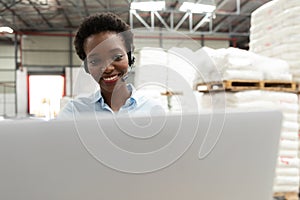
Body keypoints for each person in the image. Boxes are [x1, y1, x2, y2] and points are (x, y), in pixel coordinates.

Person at [58, 12, 163, 118]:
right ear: (86, 67)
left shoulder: (153, 110)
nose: (108, 68)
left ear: (130, 57)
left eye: (117, 57)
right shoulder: (73, 112)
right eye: (95, 61)